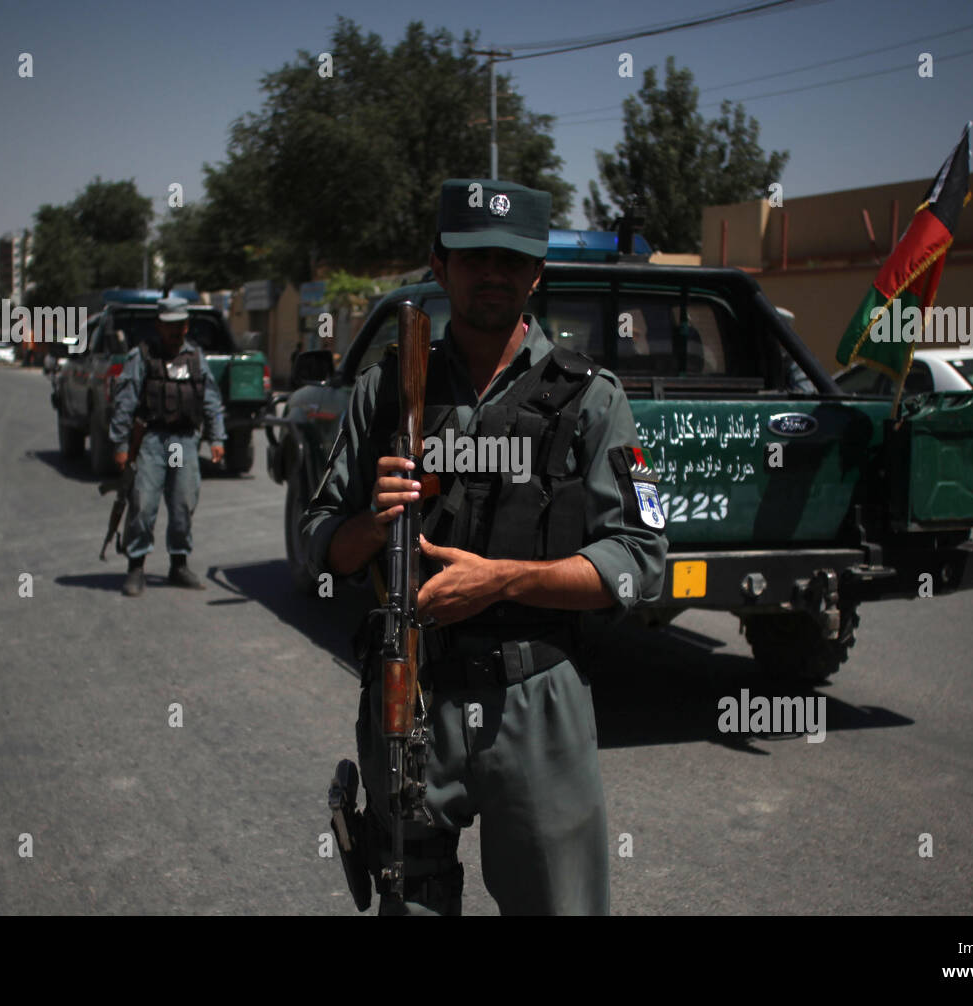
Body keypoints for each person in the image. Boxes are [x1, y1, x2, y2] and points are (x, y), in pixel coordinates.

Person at [301, 179, 668, 915]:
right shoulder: (383, 394)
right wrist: (376, 523)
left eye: (511, 259)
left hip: (535, 703)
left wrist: (501, 581)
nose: (493, 273)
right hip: (411, 694)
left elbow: (641, 561)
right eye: (475, 258)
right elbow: (322, 544)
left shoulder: (592, 397)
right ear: (440, 268)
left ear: (536, 273)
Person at [108, 297, 226, 597]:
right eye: (170, 325)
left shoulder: (196, 357)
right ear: (159, 325)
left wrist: (217, 438)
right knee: (143, 504)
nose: (176, 331)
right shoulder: (143, 356)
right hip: (151, 439)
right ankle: (136, 567)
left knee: (183, 504)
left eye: (181, 325)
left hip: (184, 441)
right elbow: (125, 401)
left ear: (187, 325)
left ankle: (179, 564)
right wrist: (121, 444)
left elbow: (210, 400)